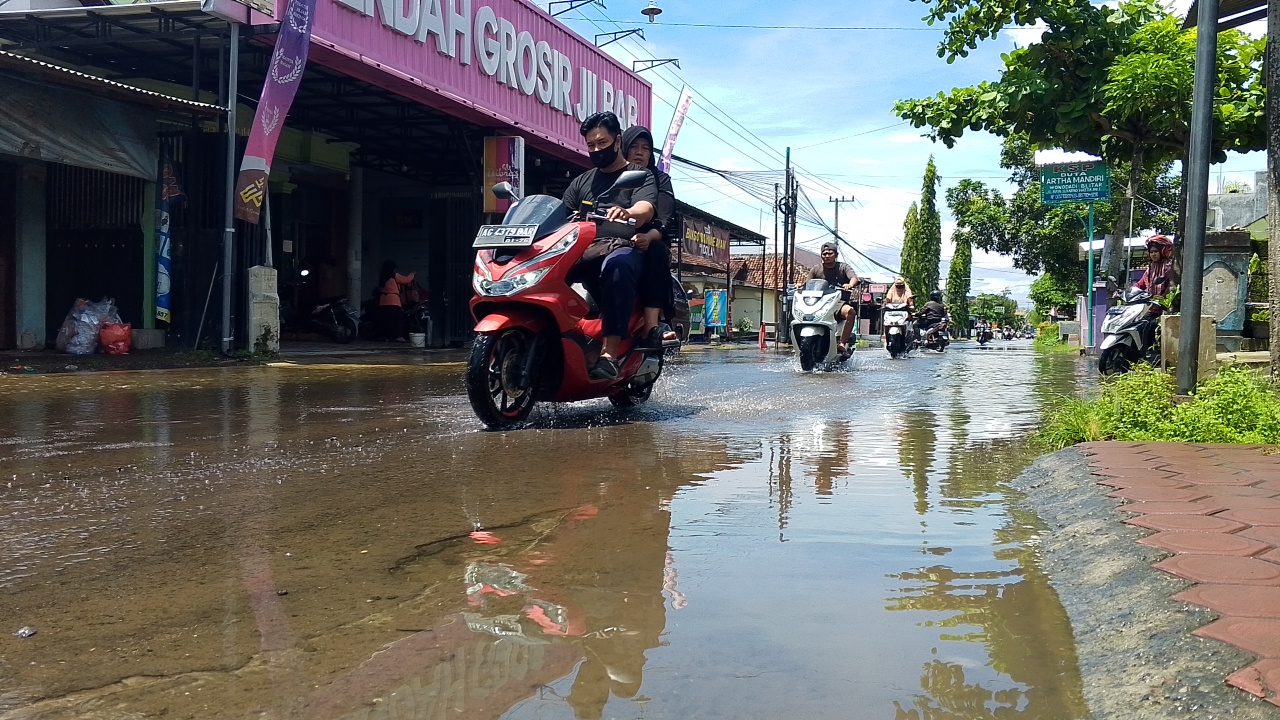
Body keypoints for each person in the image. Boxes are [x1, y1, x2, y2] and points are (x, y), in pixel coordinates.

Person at [562, 111, 658, 380]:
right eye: (591, 145)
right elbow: (560, 214)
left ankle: (609, 354)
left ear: (617, 141)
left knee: (617, 264)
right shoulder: (581, 182)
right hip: (582, 248)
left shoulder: (638, 175)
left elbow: (645, 208)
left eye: (602, 143)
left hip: (622, 246)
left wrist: (628, 213)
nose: (596, 150)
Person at [621, 124, 679, 350]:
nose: (639, 152)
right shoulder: (610, 177)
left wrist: (649, 236)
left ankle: (651, 326)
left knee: (656, 251)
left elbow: (665, 217)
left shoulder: (659, 179)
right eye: (634, 146)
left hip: (650, 238)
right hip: (613, 239)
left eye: (645, 148)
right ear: (623, 149)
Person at [807, 242, 861, 353]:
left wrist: (850, 284)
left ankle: (842, 342)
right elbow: (808, 283)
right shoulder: (816, 269)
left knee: (851, 312)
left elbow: (854, 278)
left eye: (830, 253)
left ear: (835, 254)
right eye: (824, 253)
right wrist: (800, 285)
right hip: (818, 303)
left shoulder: (843, 267)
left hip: (838, 303)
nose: (827, 256)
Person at [375, 260, 415, 341]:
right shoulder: (394, 275)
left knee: (385, 320)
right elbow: (405, 280)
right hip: (393, 300)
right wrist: (412, 274)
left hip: (383, 301)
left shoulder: (383, 276)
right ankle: (398, 337)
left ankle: (385, 337)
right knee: (396, 320)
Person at [1136, 234, 1176, 299]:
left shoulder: (1168, 265)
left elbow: (1171, 285)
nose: (1153, 254)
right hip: (1150, 303)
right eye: (1151, 252)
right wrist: (1128, 292)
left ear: (1163, 251)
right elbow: (1140, 284)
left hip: (1165, 304)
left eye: (1156, 251)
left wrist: (1163, 296)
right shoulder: (1151, 267)